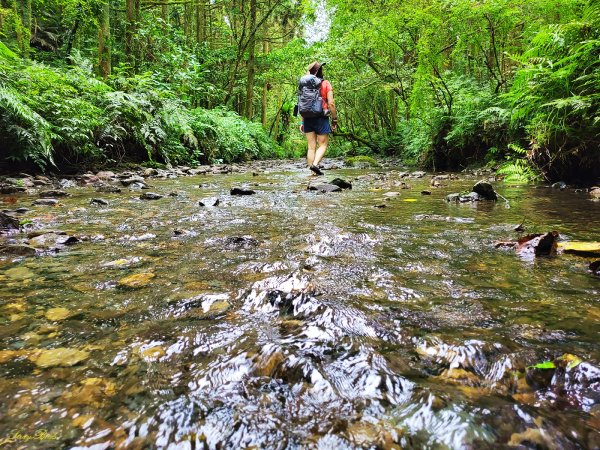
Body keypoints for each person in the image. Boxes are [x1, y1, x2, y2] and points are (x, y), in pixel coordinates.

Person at [299, 61, 338, 176]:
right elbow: (331, 103)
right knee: (323, 144)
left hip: (307, 118)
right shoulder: (326, 83)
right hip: (321, 117)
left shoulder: (304, 85)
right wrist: (334, 119)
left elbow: (302, 103)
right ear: (320, 71)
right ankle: (315, 165)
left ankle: (312, 173)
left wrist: (302, 121)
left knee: (311, 147)